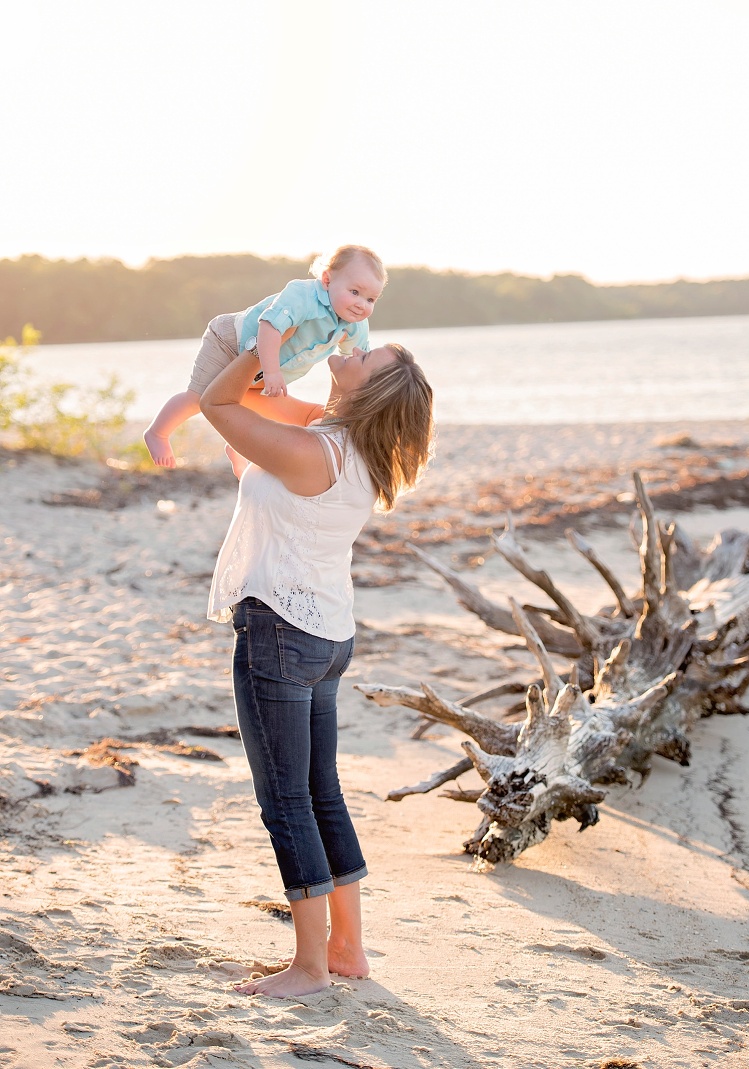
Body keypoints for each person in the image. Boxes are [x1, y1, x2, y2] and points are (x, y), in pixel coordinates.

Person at [200, 340, 434, 998]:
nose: (356, 348)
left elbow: (216, 399)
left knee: (287, 802)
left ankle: (308, 968)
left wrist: (262, 342)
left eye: (371, 358)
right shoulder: (349, 447)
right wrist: (266, 377)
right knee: (320, 791)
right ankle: (346, 948)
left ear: (370, 392)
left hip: (281, 630)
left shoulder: (316, 448)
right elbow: (241, 408)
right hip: (327, 632)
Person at [144, 245, 387, 468]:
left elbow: (359, 362)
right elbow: (270, 328)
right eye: (354, 292)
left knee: (249, 412)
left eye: (370, 299)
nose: (361, 305)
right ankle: (158, 433)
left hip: (259, 373)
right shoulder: (303, 296)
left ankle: (238, 450)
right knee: (200, 396)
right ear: (326, 280)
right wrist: (272, 372)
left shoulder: (355, 325)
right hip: (231, 343)